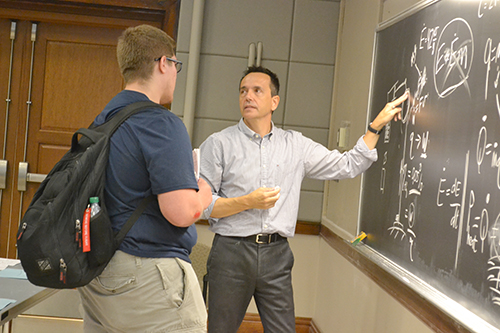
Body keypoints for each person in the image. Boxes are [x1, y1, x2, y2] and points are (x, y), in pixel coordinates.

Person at [199, 65, 409, 332]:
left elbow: (346, 165)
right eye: (243, 91)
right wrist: (247, 202)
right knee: (220, 329)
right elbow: (204, 205)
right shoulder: (218, 144)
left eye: (256, 91)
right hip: (230, 253)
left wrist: (375, 127)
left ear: (274, 101)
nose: (247, 96)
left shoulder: (295, 145)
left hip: (276, 254)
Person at [77, 25, 212, 332]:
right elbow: (181, 212)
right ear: (163, 63)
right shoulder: (160, 123)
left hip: (98, 271)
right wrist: (204, 191)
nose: (175, 73)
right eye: (176, 65)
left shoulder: (103, 119)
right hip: (148, 273)